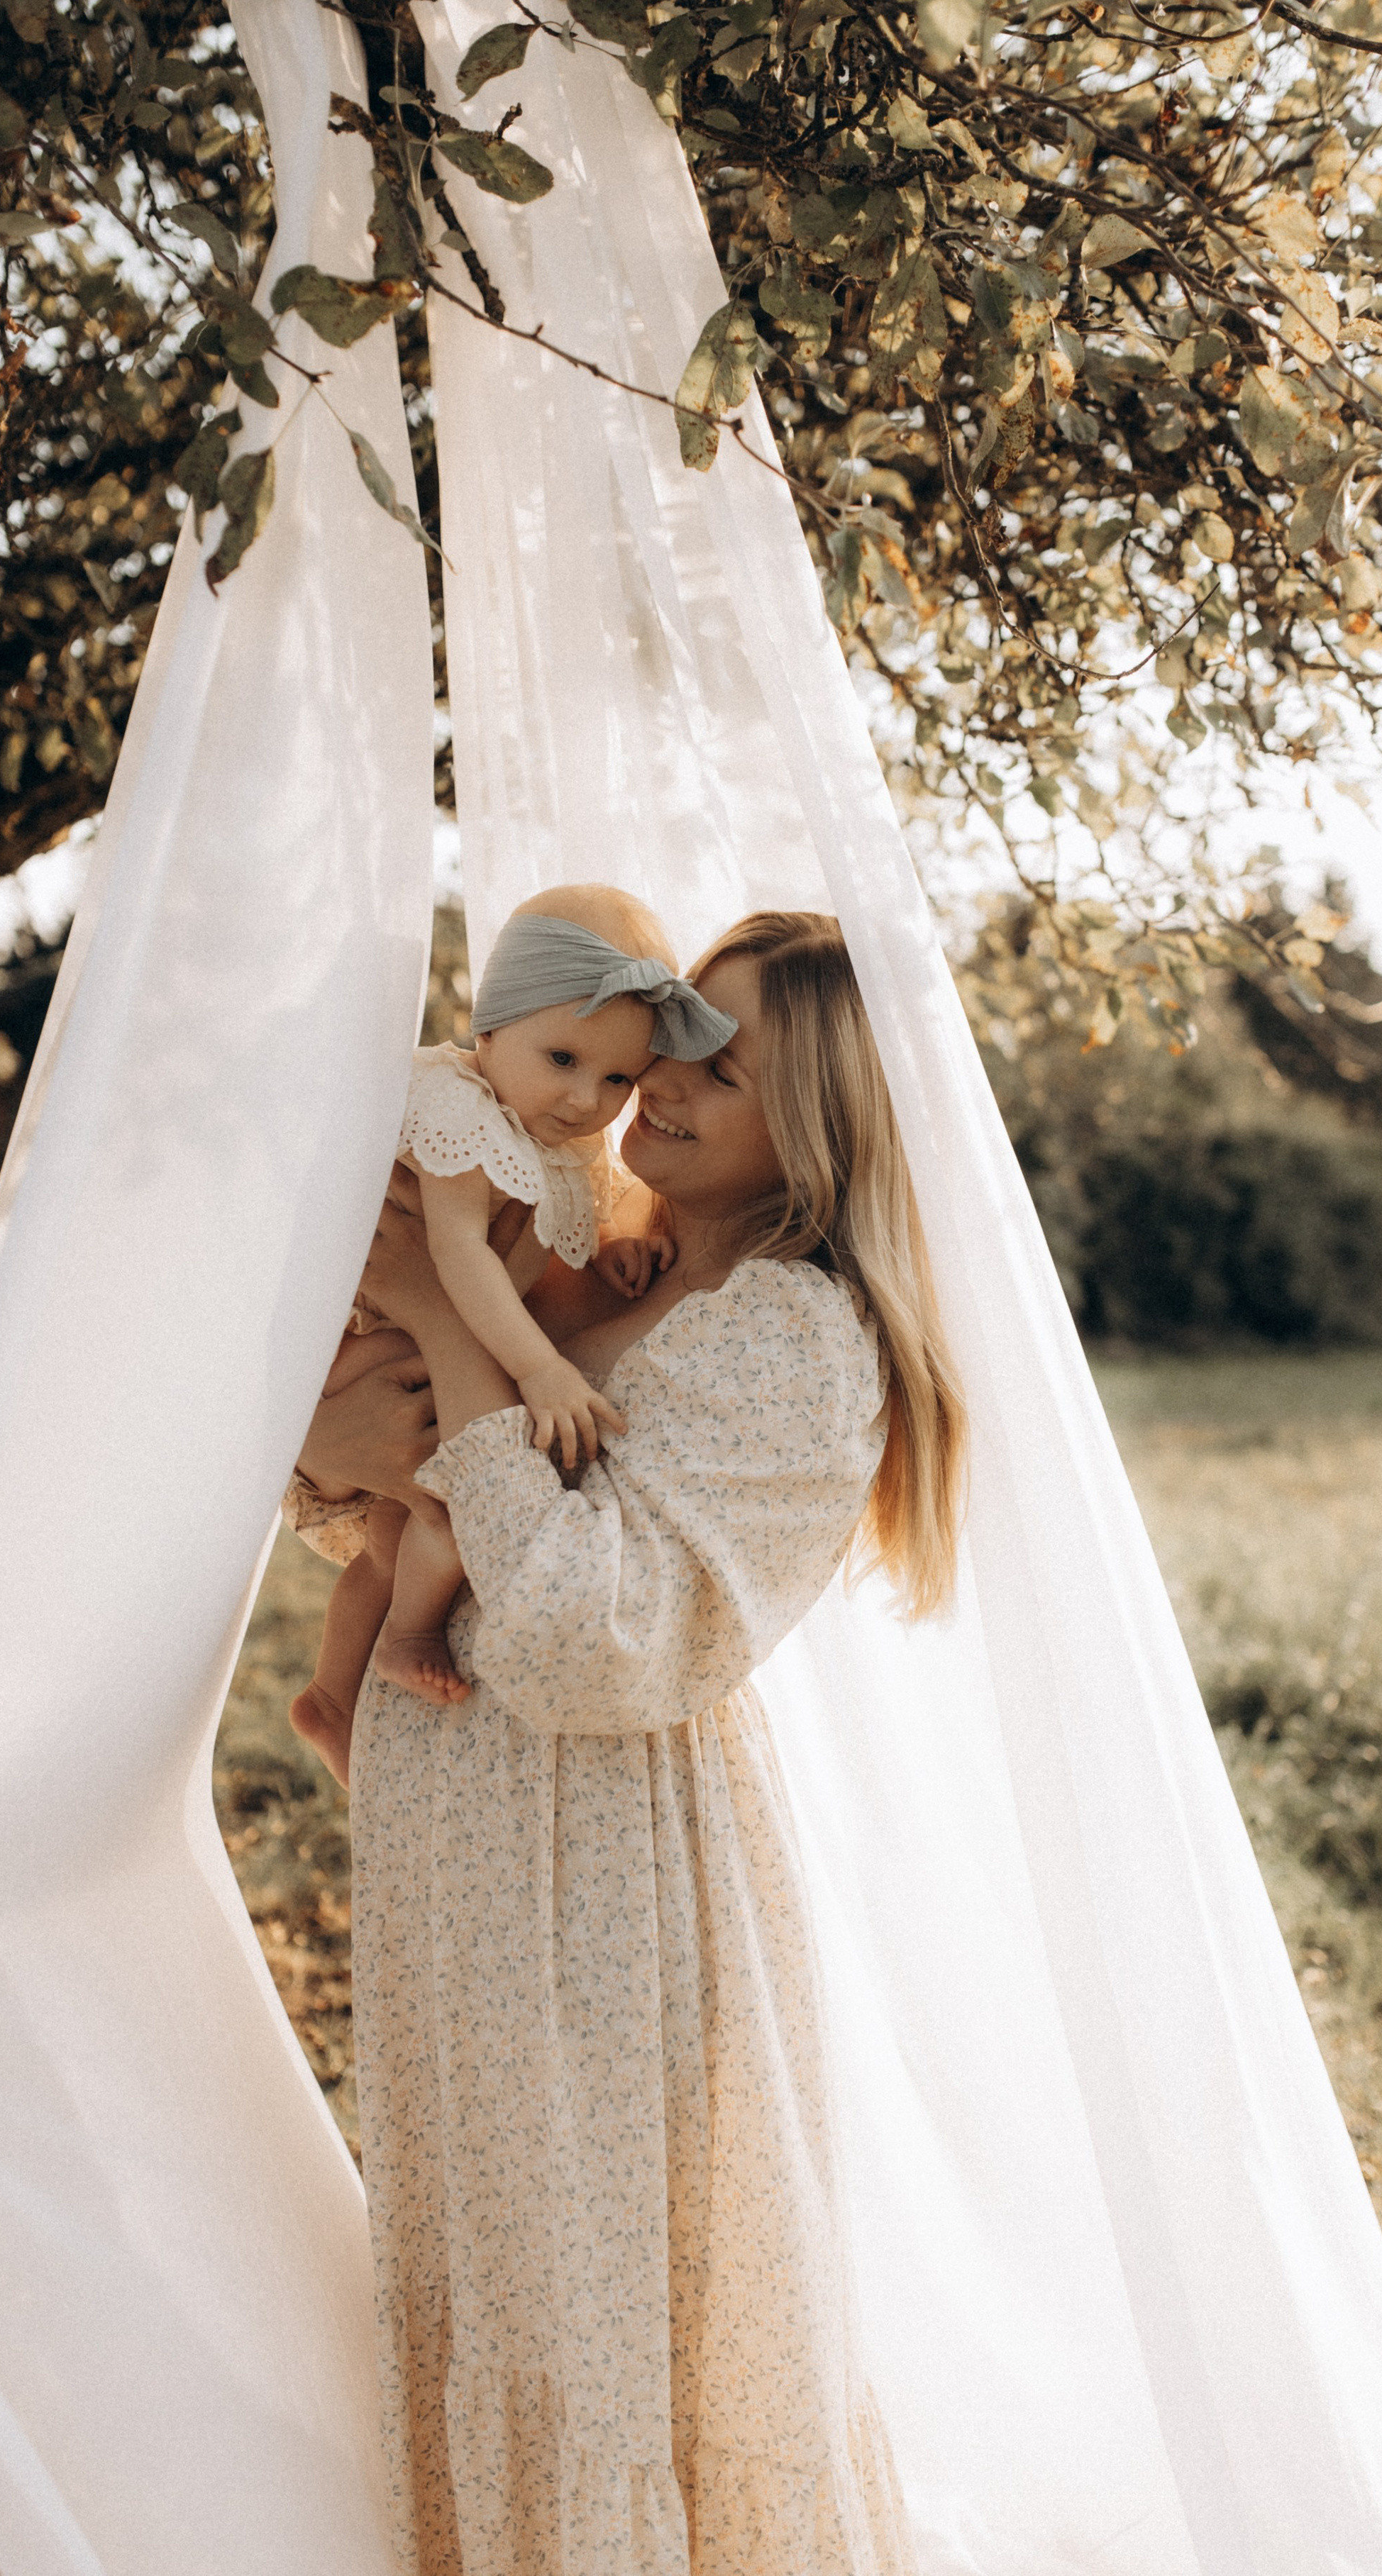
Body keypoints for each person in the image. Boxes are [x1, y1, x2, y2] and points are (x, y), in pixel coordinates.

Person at [288, 910, 966, 2576]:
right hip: (456, 1839)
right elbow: (374, 1504)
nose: (665, 1078)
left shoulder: (794, 1334)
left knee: (600, 2296)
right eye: (675, 1034)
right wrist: (355, 1418)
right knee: (499, 2262)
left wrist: (442, 1332)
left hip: (596, 1874)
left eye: (726, 1066)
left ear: (817, 1111)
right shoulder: (613, 1260)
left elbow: (595, 1643)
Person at [288, 882, 737, 1782]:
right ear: (489, 1028)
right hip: (370, 1345)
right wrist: (538, 1371)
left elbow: (543, 1256)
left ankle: (331, 1696)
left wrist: (608, 1257)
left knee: (413, 1521)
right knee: (457, 1504)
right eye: (563, 1058)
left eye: (618, 1078)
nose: (586, 1099)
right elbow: (453, 1258)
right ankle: (393, 1645)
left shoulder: (554, 1144)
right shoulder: (458, 1113)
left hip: (422, 1346)